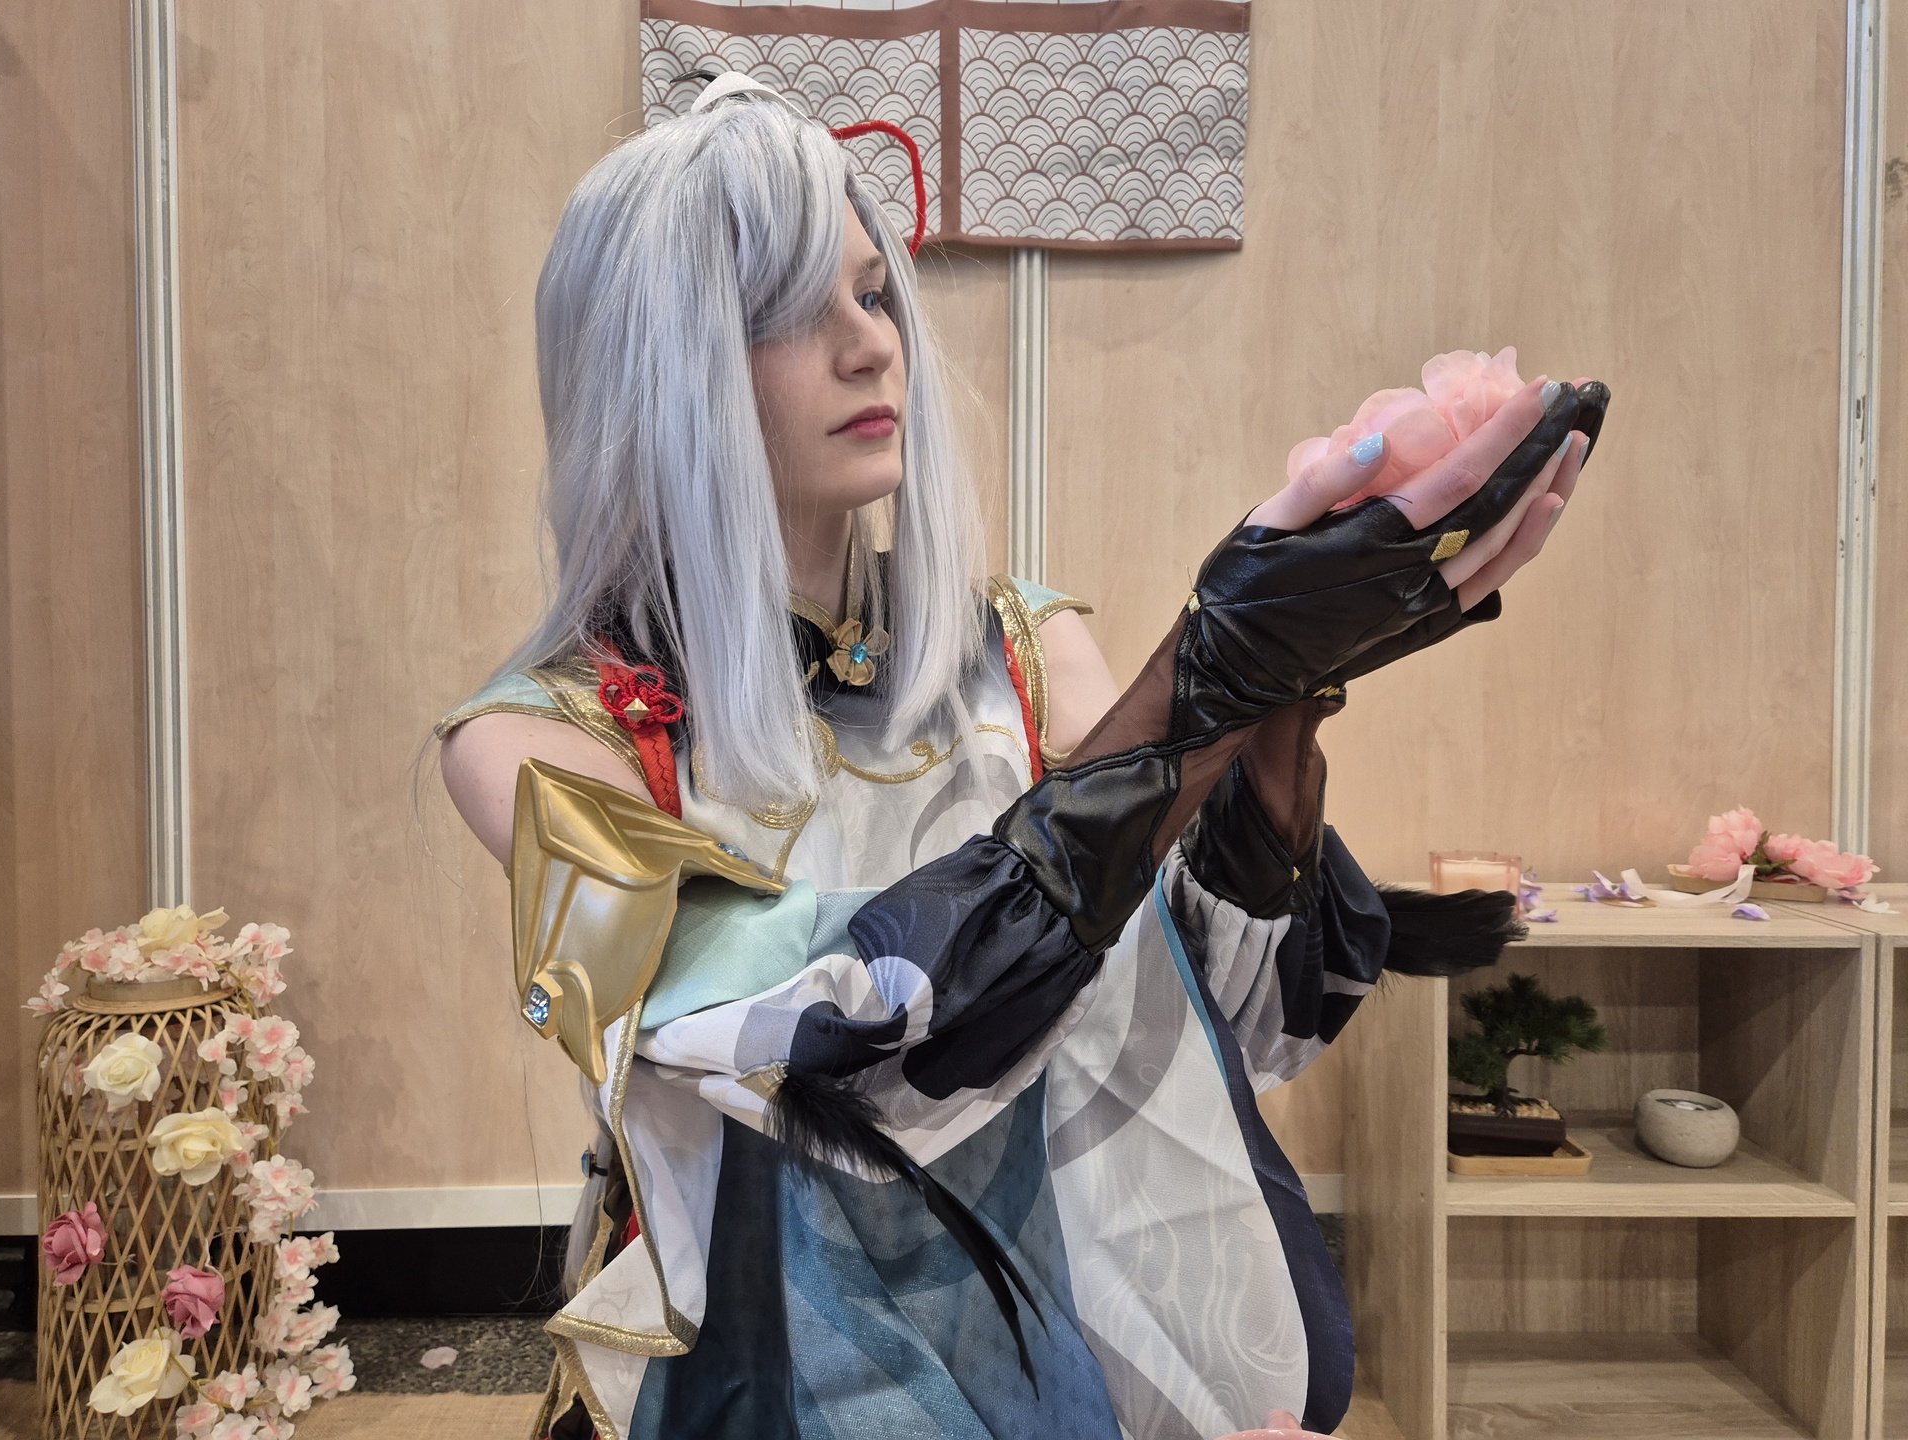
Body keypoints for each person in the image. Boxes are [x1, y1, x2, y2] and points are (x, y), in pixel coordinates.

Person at [438, 74, 1599, 1440]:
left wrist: (1282, 703)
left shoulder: (1025, 654)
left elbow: (1218, 1021)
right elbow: (830, 1045)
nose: (869, 348)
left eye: (876, 294)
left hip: (1050, 1344)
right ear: (649, 367)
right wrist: (1203, 692)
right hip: (758, 1376)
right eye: (788, 314)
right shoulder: (546, 736)